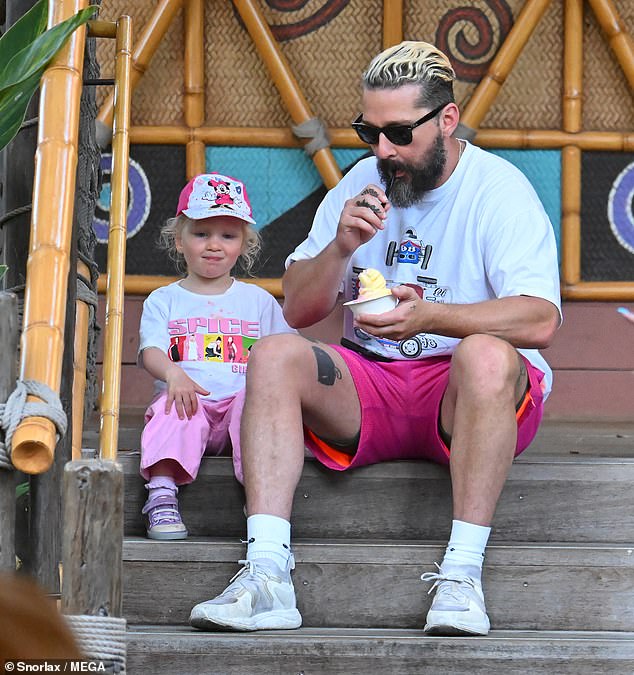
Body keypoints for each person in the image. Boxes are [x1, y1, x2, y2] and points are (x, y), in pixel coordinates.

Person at [189, 42, 561, 634]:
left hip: (464, 397)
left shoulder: (499, 190)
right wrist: (339, 247)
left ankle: (462, 578)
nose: (383, 151)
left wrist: (432, 317)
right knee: (275, 355)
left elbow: (540, 319)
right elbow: (299, 306)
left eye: (398, 133)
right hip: (374, 382)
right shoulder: (364, 179)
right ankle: (266, 577)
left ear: (446, 119)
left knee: (487, 355)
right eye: (370, 131)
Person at [138, 172, 295, 540]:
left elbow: (286, 354)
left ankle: (261, 499)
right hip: (190, 402)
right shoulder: (165, 299)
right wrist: (173, 374)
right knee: (170, 407)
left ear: (244, 244)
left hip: (242, 409)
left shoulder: (258, 302)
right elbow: (151, 350)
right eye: (201, 233)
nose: (214, 245)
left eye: (228, 235)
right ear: (179, 241)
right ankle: (161, 494)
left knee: (260, 403)